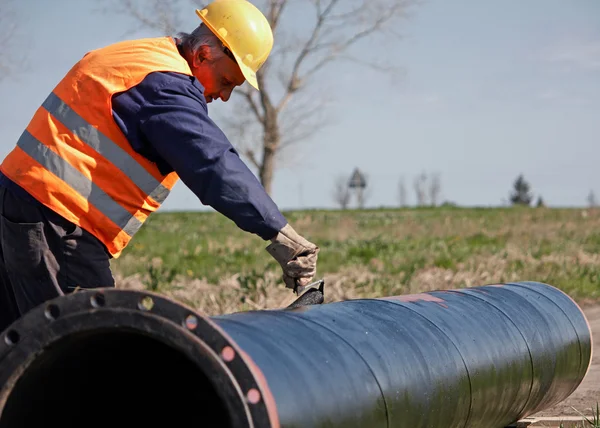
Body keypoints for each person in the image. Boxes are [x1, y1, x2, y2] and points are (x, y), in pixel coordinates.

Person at [0, 0, 319, 333]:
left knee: (15, 348)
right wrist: (280, 232)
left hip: (19, 206)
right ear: (203, 55)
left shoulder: (141, 58)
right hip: (57, 222)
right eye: (226, 82)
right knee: (90, 346)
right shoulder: (166, 87)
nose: (223, 96)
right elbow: (213, 164)